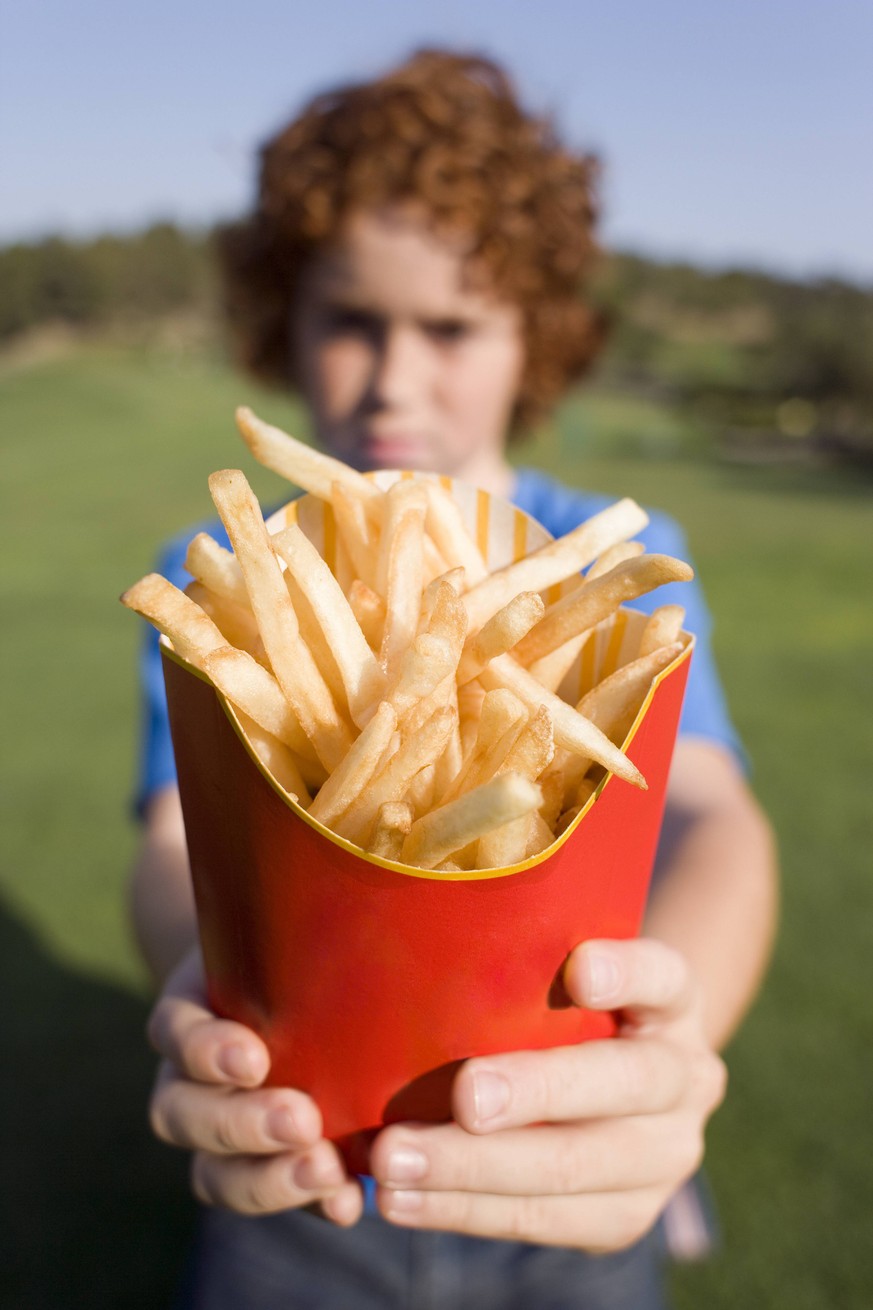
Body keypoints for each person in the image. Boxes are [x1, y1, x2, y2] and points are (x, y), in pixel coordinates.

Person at [132, 49, 778, 1309]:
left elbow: (712, 811)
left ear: (536, 331)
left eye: (450, 325)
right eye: (349, 319)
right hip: (305, 1170)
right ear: (284, 320)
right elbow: (173, 836)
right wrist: (201, 977)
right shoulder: (220, 577)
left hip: (564, 1163)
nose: (392, 377)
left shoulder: (629, 566)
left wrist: (672, 1035)